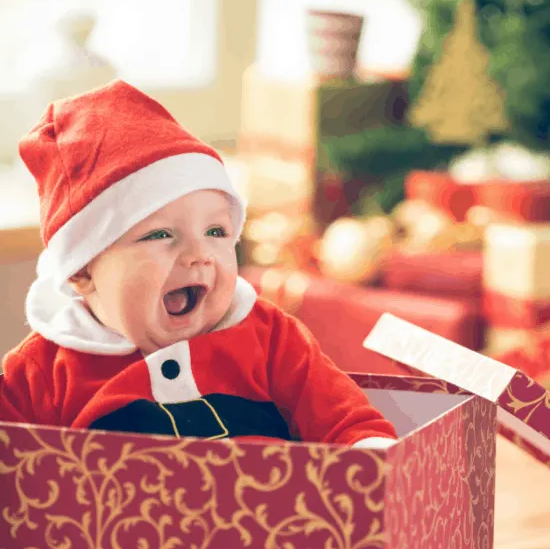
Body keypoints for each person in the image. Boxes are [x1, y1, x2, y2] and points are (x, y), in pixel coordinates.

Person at [0, 80, 398, 448]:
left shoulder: (269, 338)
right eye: (160, 235)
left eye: (216, 232)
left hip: (272, 521)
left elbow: (348, 423)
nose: (199, 255)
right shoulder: (41, 373)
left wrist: (370, 457)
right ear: (82, 270)